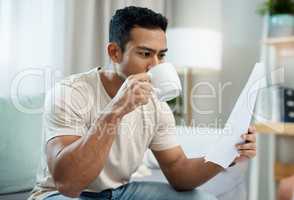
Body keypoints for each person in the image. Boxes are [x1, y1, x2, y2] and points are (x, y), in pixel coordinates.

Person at [28, 6, 257, 200]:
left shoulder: (156, 104)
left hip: (120, 192)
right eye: (146, 54)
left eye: (162, 55)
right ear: (115, 52)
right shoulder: (70, 92)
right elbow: (68, 184)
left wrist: (227, 156)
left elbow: (179, 170)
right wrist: (116, 110)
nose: (155, 65)